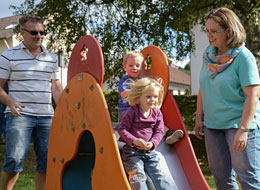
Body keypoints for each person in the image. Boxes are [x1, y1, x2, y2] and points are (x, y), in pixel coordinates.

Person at [194, 7, 260, 190]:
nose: (209, 35)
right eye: (207, 31)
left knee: (248, 178)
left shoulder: (243, 58)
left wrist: (244, 129)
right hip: (213, 126)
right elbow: (204, 87)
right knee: (222, 178)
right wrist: (199, 117)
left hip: (238, 125)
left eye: (214, 31)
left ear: (229, 31)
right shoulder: (208, 55)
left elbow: (253, 95)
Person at [0, 15, 63, 190]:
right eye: (34, 32)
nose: (39, 36)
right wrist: (10, 101)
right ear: (22, 33)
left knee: (47, 162)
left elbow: (56, 88)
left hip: (46, 116)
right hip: (20, 115)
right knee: (14, 160)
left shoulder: (51, 58)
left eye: (42, 32)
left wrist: (64, 109)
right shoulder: (8, 56)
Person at [118, 77, 177, 190]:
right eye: (148, 97)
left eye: (155, 97)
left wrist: (152, 143)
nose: (153, 100)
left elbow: (159, 131)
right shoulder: (133, 111)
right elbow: (122, 129)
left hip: (149, 151)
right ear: (139, 97)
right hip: (132, 151)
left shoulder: (157, 113)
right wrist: (134, 140)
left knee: (160, 176)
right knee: (137, 176)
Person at [118, 50, 183, 145]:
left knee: (154, 117)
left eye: (137, 65)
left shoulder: (142, 80)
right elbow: (124, 94)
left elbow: (150, 88)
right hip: (126, 111)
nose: (134, 68)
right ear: (125, 67)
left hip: (141, 110)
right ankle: (139, 141)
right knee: (141, 124)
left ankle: (168, 133)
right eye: (131, 66)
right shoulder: (125, 81)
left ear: (142, 67)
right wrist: (140, 92)